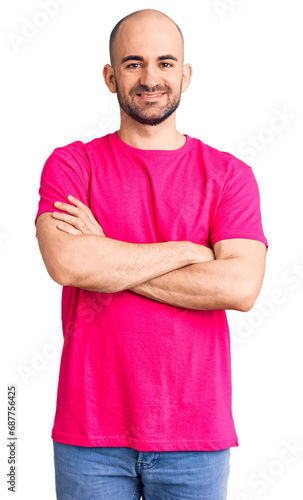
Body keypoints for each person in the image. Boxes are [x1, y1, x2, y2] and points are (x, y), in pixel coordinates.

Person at [35, 8, 268, 500]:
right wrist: (189, 252)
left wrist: (107, 256)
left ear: (184, 75)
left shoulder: (229, 175)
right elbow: (68, 264)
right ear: (110, 75)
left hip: (195, 435)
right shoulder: (72, 165)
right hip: (90, 434)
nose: (150, 78)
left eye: (165, 63)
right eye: (134, 63)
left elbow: (240, 287)